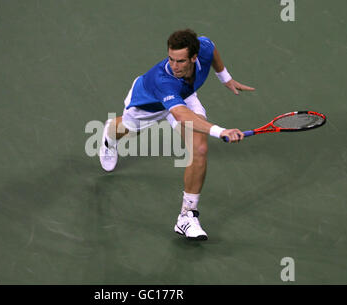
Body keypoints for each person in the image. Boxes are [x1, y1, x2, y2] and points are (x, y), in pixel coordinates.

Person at [99, 29, 255, 240]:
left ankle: (186, 216)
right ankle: (109, 136)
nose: (174, 66)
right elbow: (181, 116)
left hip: (184, 96)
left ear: (194, 57)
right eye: (171, 59)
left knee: (199, 148)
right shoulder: (164, 78)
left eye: (180, 61)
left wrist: (225, 77)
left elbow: (212, 48)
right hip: (148, 104)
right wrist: (221, 131)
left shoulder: (204, 47)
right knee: (125, 128)